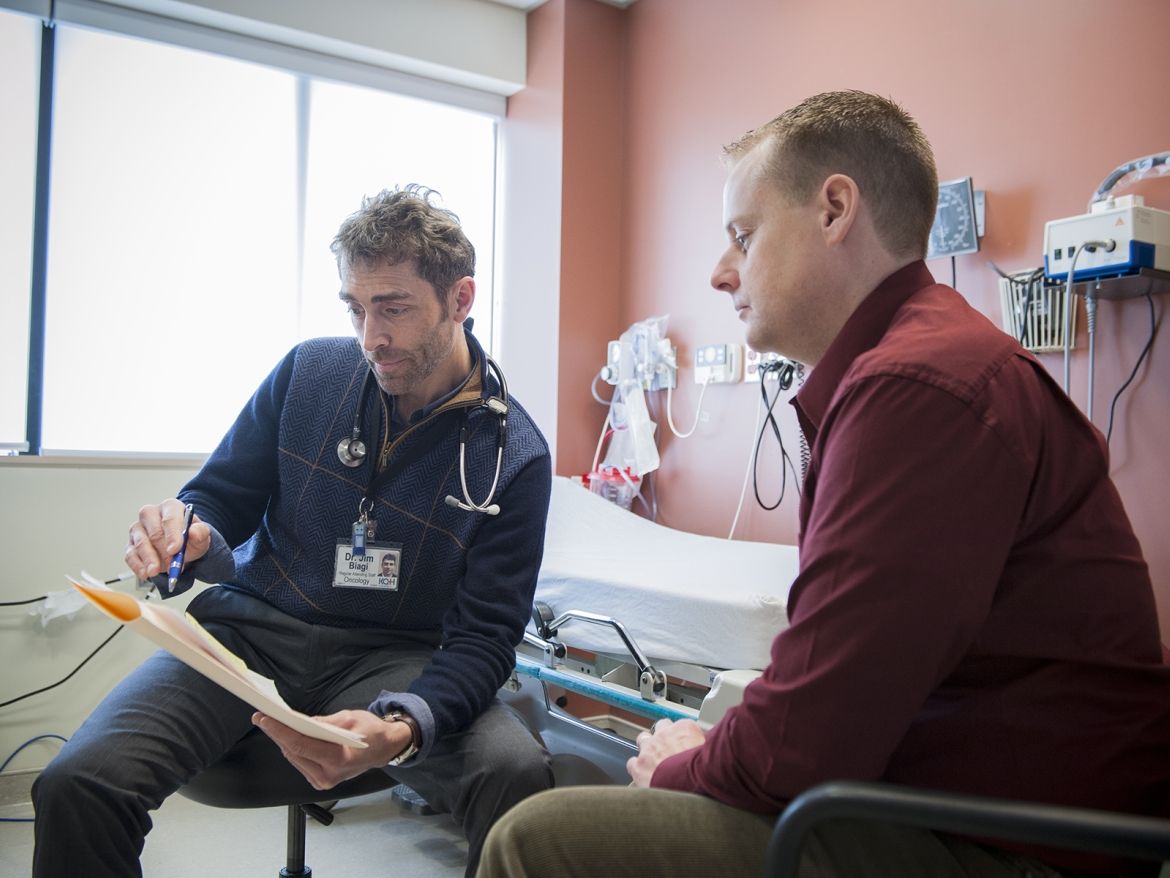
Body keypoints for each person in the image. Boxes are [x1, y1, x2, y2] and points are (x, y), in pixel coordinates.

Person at [476, 91, 1170, 878]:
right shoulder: (924, 367)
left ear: (835, 210)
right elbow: (837, 685)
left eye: (743, 236)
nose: (719, 272)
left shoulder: (919, 387)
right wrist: (725, 746)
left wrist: (685, 763)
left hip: (1013, 843)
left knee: (537, 841)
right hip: (965, 799)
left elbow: (808, 738)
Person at [32, 185, 554, 878]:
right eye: (356, 308)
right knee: (79, 783)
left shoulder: (514, 456)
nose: (371, 337)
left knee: (515, 773)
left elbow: (485, 638)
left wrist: (403, 724)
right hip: (250, 636)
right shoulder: (310, 374)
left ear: (460, 299)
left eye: (394, 308)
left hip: (393, 658)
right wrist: (189, 530)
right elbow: (218, 497)